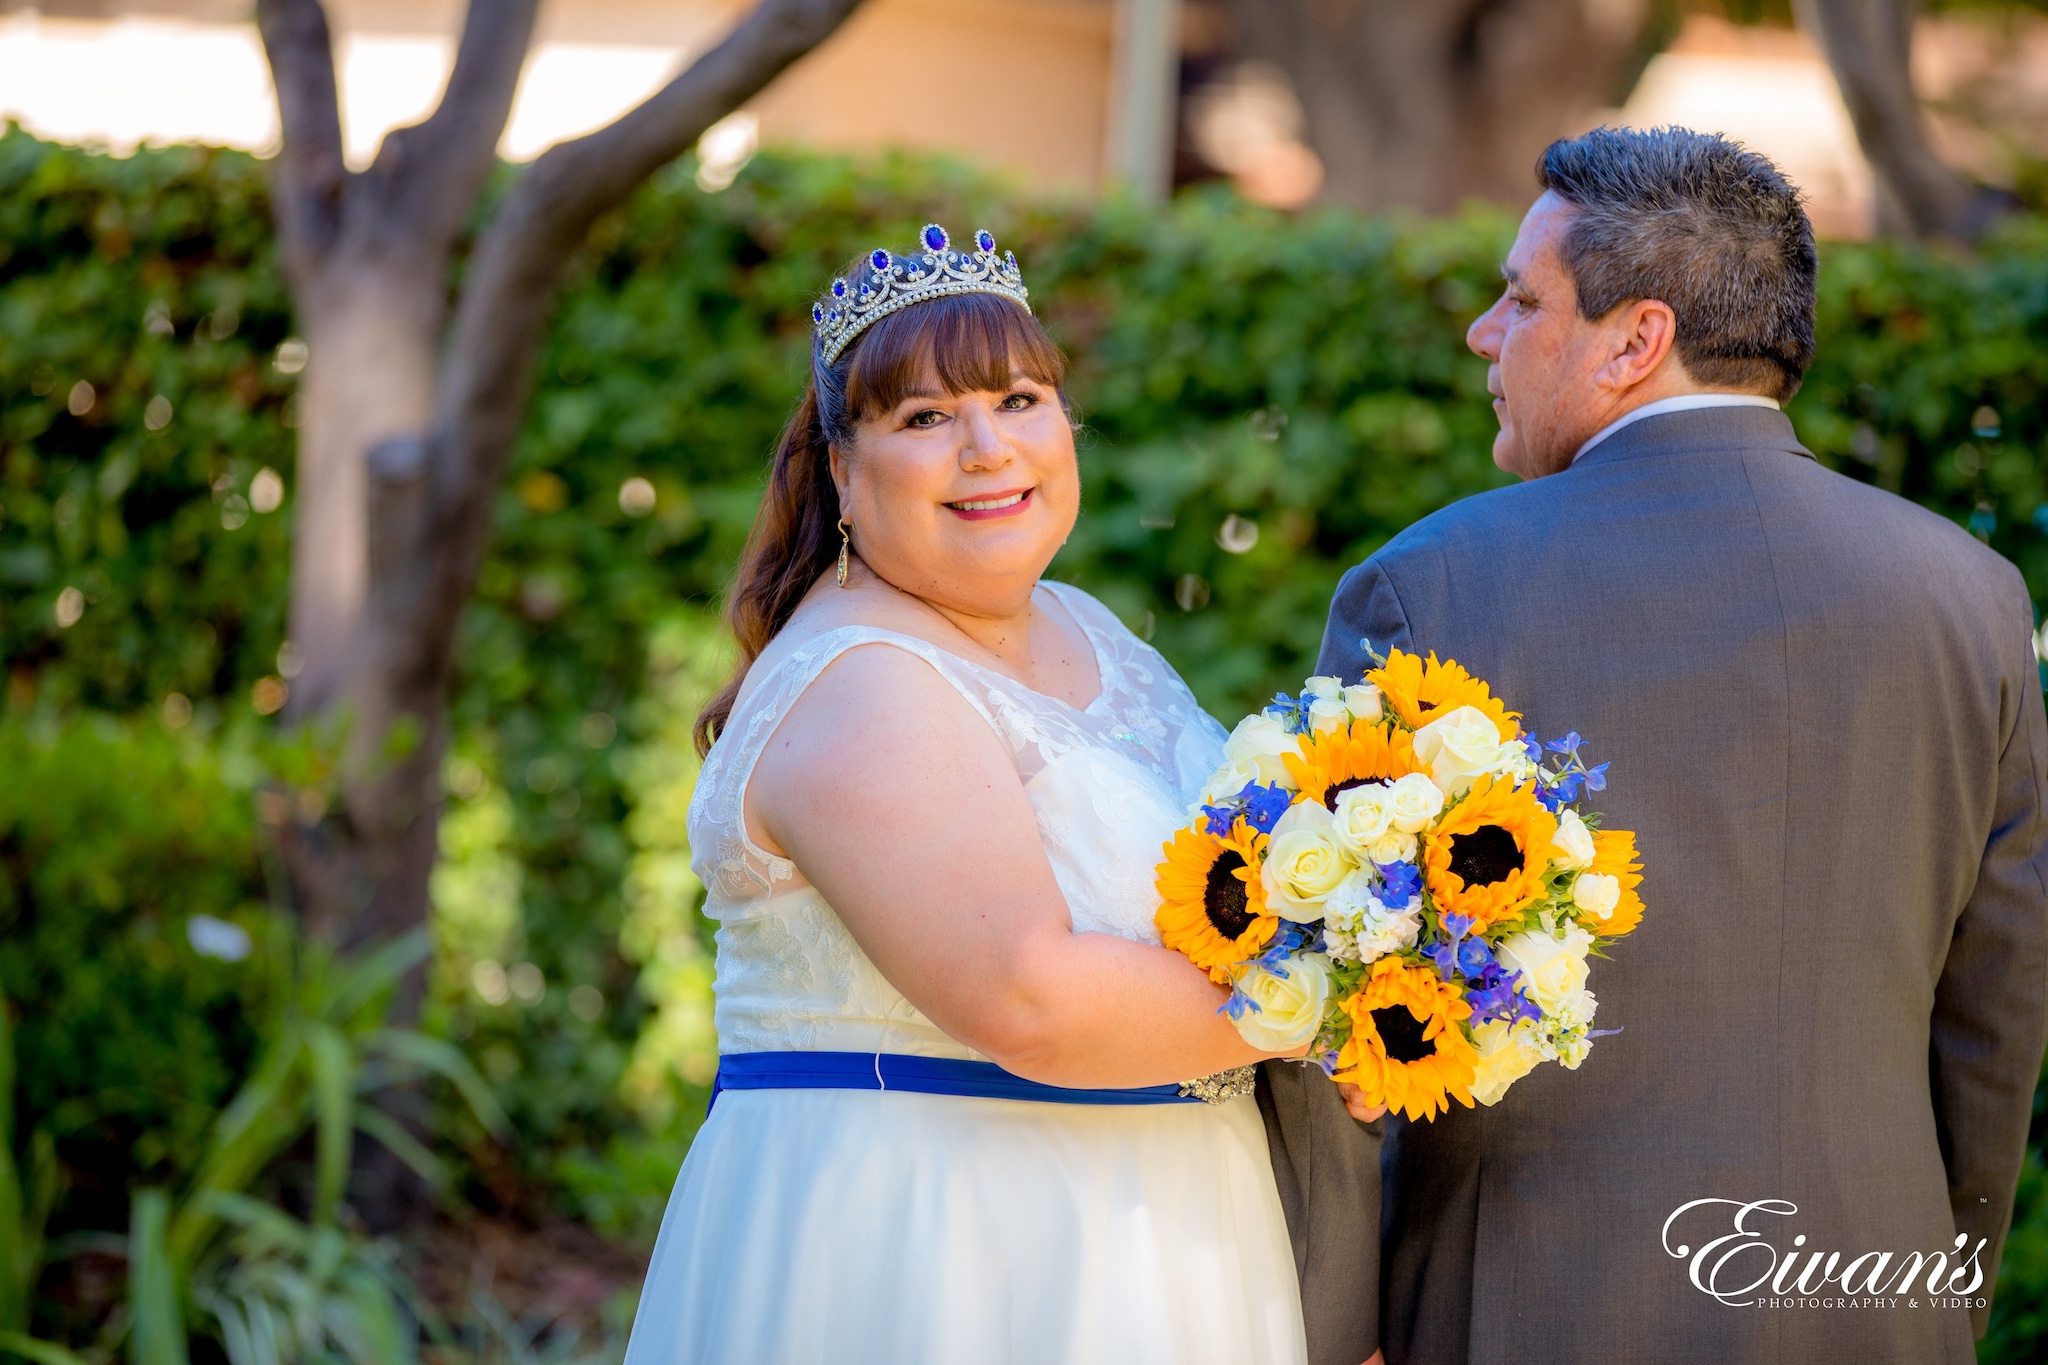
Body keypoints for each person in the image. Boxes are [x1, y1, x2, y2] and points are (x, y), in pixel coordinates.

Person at [1268, 127, 2048, 1365]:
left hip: (1512, 1310)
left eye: (1520, 301)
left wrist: (1343, 1327)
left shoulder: (1429, 590)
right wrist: (1932, 1300)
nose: (1483, 332)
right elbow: (1994, 1016)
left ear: (1633, 341)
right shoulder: (1972, 597)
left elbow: (1324, 999)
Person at [622, 227, 1309, 1364]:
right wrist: (1345, 1007)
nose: (989, 449)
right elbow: (1024, 999)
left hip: (1168, 1228)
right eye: (925, 418)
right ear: (843, 469)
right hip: (948, 1240)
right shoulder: (861, 681)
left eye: (1020, 398)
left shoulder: (1085, 626)